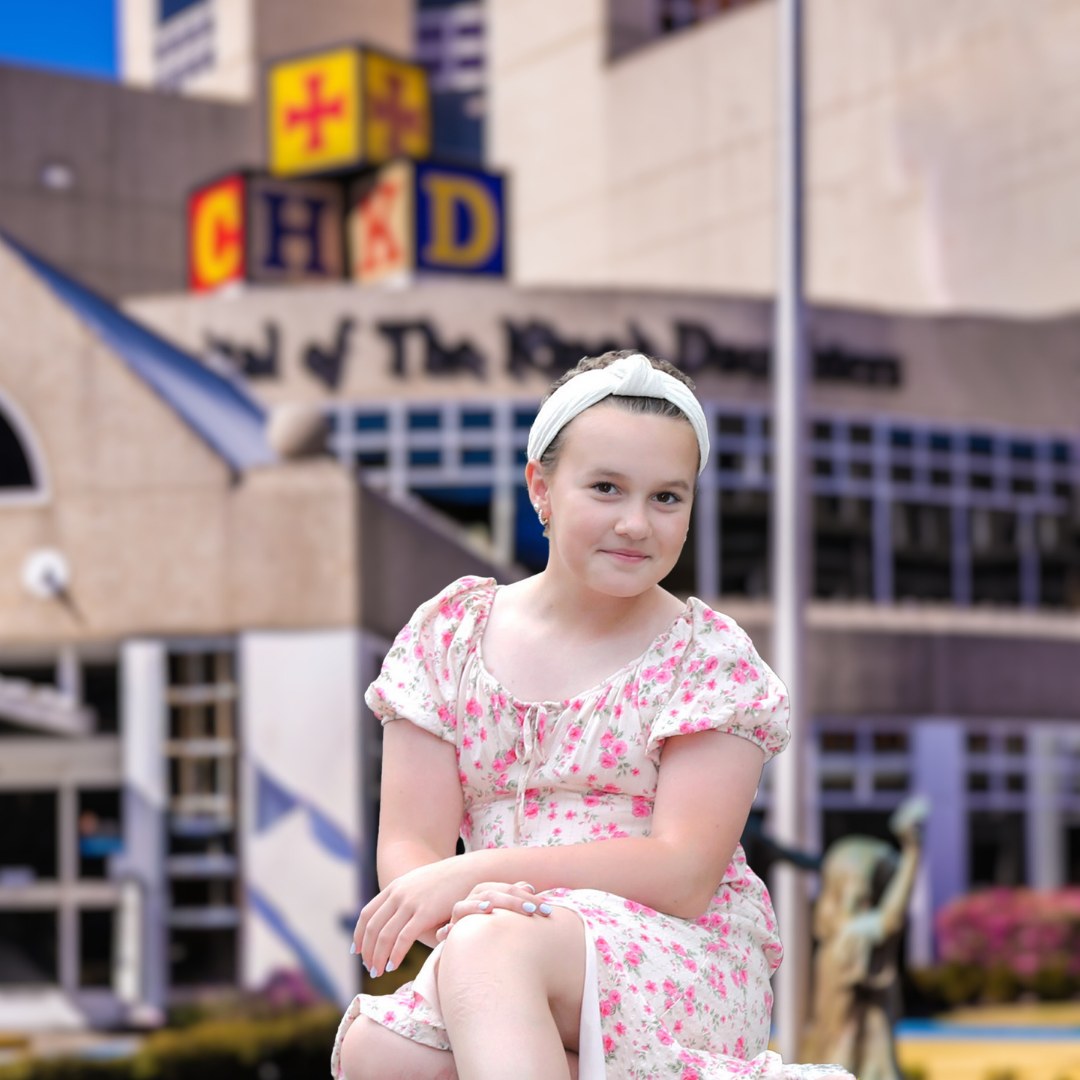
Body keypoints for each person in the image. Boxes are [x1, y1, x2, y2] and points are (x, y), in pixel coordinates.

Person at [331, 351, 852, 1080]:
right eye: (606, 488)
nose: (636, 524)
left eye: (667, 498)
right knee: (379, 1052)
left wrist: (482, 879)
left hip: (677, 950)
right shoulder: (446, 634)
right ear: (540, 488)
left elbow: (683, 871)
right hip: (499, 938)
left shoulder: (707, 657)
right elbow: (413, 846)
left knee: (490, 948)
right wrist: (464, 900)